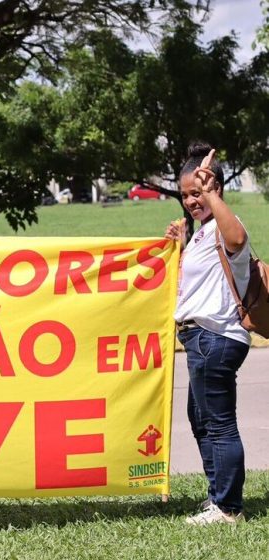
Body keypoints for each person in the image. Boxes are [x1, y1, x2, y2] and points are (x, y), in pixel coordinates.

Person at [165, 142, 251, 525]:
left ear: (213, 189)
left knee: (218, 422)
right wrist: (180, 247)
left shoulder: (223, 226)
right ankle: (219, 498)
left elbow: (237, 242)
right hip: (200, 338)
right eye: (185, 195)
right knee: (201, 420)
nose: (189, 201)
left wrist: (213, 194)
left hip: (215, 337)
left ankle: (228, 507)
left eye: (196, 192)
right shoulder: (202, 234)